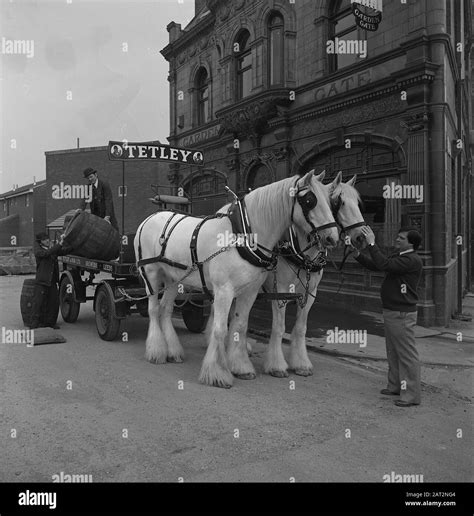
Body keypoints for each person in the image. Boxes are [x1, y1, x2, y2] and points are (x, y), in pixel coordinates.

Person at [352, 226, 423, 407]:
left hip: (402, 313)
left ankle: (412, 395)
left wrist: (372, 243)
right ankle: (395, 386)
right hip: (393, 311)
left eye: (401, 238)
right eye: (398, 237)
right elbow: (378, 264)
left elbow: (384, 264)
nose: (397, 239)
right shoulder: (401, 257)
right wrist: (358, 255)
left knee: (406, 354)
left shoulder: (411, 260)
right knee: (393, 352)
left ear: (411, 243)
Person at [30, 232, 72, 329]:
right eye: (45, 240)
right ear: (40, 242)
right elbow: (46, 253)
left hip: (52, 281)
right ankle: (34, 324)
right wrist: (59, 244)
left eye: (48, 239)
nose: (47, 241)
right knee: (38, 303)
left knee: (53, 303)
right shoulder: (39, 250)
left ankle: (51, 323)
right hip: (42, 281)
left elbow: (64, 251)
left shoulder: (52, 250)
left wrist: (71, 243)